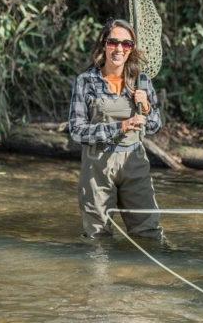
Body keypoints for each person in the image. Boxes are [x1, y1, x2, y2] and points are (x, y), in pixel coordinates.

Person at [69, 18, 163, 240]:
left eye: (126, 44)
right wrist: (120, 126)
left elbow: (155, 125)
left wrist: (147, 107)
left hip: (135, 163)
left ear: (132, 49)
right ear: (104, 44)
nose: (119, 48)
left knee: (149, 234)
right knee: (97, 237)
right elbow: (76, 130)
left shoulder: (142, 81)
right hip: (97, 166)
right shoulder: (86, 81)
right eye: (113, 42)